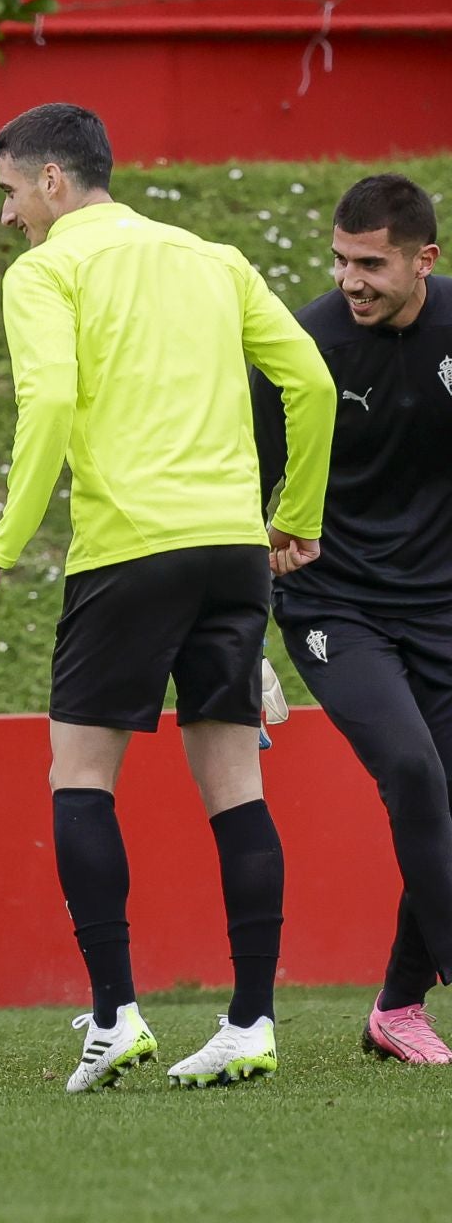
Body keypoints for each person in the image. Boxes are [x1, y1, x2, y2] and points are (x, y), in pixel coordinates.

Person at [0, 102, 335, 1093]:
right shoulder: (213, 256)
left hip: (129, 547)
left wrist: (6, 540)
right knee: (235, 784)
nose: (5, 216)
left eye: (8, 191)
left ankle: (115, 1012)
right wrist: (293, 511)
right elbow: (312, 381)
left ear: (52, 182)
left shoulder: (47, 270)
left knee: (80, 775)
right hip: (231, 549)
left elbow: (46, 401)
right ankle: (251, 1021)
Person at [253, 173, 452, 1064]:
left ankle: (397, 1007)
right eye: (340, 260)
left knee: (444, 797)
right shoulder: (303, 344)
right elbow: (241, 488)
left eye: (371, 263)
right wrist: (242, 626)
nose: (351, 281)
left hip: (440, 607)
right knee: (412, 770)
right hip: (334, 602)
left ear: (425, 260)